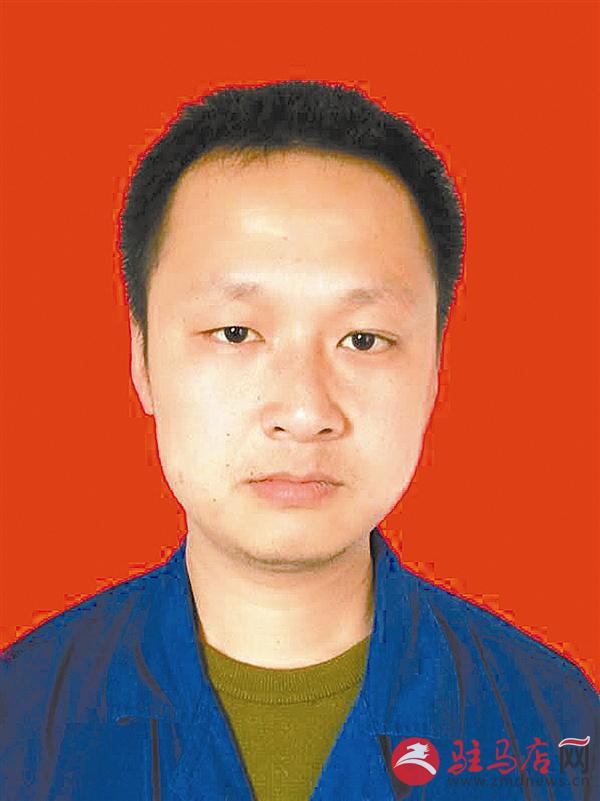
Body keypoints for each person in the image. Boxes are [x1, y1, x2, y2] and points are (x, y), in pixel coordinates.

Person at [0, 81, 597, 801]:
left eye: (364, 338)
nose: (305, 411)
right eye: (235, 332)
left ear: (435, 371)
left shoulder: (558, 730)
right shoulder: (19, 723)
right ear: (142, 360)